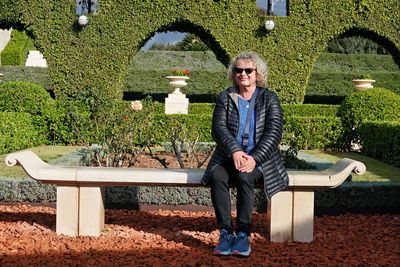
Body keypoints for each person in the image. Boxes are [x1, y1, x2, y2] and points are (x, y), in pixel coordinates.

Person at [201, 51, 288, 257]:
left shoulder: (269, 98)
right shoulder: (225, 97)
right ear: (234, 73)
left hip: (261, 160)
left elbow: (274, 132)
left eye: (249, 70)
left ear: (257, 74)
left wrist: (254, 158)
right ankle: (225, 232)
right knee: (217, 175)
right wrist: (235, 150)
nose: (243, 74)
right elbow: (218, 129)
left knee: (244, 176)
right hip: (229, 156)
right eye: (238, 70)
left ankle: (242, 234)